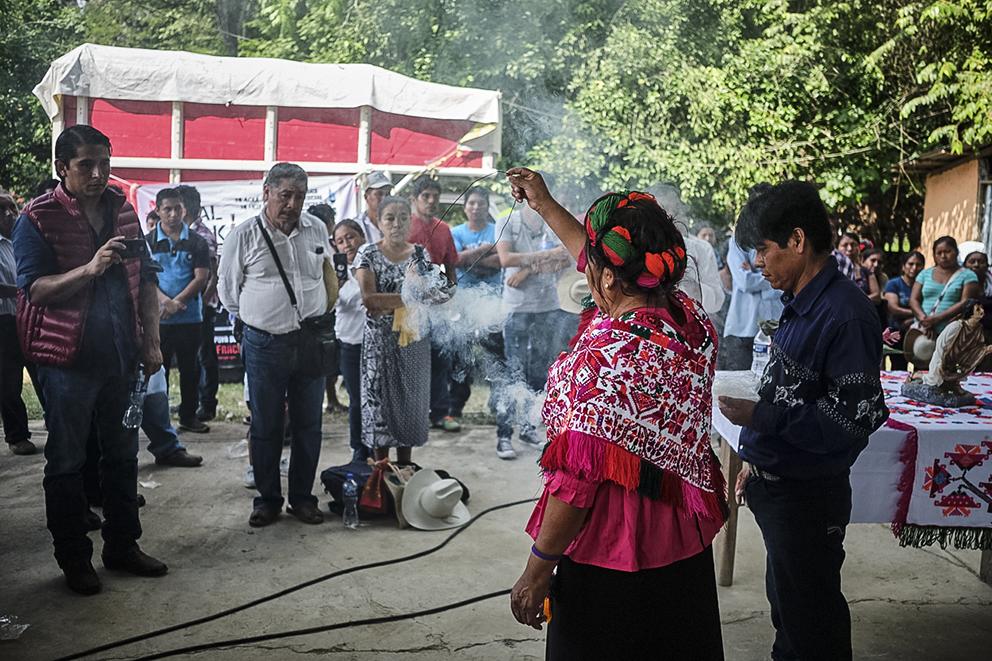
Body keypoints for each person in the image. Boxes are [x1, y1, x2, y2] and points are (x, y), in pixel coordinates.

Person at [505, 169, 727, 660]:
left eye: (594, 269)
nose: (585, 271)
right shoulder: (690, 320)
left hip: (610, 555)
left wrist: (537, 570)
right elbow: (593, 253)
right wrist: (543, 202)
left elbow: (577, 481)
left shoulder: (608, 359)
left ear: (608, 277)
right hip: (681, 544)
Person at [718, 180, 889, 661]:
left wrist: (759, 417)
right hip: (779, 489)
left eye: (763, 249)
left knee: (811, 625)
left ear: (797, 241)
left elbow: (852, 420)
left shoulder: (845, 315)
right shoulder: (801, 301)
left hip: (808, 499)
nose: (756, 263)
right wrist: (757, 458)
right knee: (789, 611)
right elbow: (790, 387)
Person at [13, 125, 168, 595]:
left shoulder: (124, 211)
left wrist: (152, 341)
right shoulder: (37, 218)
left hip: (121, 356)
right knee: (66, 461)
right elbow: (35, 289)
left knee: (123, 456)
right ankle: (74, 558)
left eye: (105, 162)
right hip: (66, 361)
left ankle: (122, 546)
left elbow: (145, 281)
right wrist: (90, 268)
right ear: (62, 168)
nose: (99, 173)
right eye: (86, 165)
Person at [218, 163, 334, 527]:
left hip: (310, 340)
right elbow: (228, 293)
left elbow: (326, 273)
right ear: (266, 192)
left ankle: (302, 498)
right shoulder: (244, 235)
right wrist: (263, 318)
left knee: (308, 425)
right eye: (285, 195)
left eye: (299, 196)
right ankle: (267, 499)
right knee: (267, 425)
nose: (292, 203)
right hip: (265, 343)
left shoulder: (316, 228)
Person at [355, 196, 450, 464]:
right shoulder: (369, 254)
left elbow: (430, 293)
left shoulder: (420, 254)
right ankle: (381, 472)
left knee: (411, 400)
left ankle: (406, 468)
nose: (397, 224)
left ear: (410, 221)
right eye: (389, 218)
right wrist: (411, 297)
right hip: (380, 343)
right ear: (379, 222)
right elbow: (370, 300)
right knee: (380, 404)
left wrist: (433, 295)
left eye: (403, 218)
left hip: (413, 341)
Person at [495, 198, 573, 460]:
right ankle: (504, 435)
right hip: (516, 308)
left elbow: (565, 256)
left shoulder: (553, 223)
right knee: (512, 371)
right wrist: (544, 257)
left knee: (539, 371)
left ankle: (529, 428)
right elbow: (505, 259)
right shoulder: (509, 222)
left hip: (547, 306)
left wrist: (527, 269)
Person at [147, 188, 211, 433]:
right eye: (167, 209)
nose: (173, 214)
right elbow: (146, 279)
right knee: (155, 370)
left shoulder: (197, 241)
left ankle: (188, 416)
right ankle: (157, 421)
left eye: (178, 209)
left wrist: (177, 302)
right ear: (158, 211)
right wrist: (164, 302)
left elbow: (201, 277)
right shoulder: (148, 241)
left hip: (190, 317)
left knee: (190, 369)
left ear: (185, 210)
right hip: (158, 318)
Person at [406, 175, 461, 432]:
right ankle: (414, 412)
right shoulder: (405, 226)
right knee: (414, 359)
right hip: (408, 304)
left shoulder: (444, 228)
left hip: (437, 301)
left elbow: (450, 264)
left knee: (440, 358)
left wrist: (451, 292)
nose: (431, 201)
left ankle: (440, 412)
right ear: (414, 199)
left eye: (435, 197)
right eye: (425, 196)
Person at [448, 186, 503, 419]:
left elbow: (501, 261)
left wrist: (473, 260)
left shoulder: (498, 228)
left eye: (481, 203)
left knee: (497, 355)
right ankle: (455, 407)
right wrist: (486, 249)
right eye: (471, 203)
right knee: (460, 356)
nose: (476, 207)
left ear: (487, 207)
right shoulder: (456, 232)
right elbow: (457, 260)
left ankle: (498, 405)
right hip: (465, 304)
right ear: (464, 207)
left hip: (493, 303)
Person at [175, 184, 220, 422]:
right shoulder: (177, 233)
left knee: (204, 356)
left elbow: (213, 274)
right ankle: (188, 403)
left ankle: (207, 404)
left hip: (201, 306)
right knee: (187, 358)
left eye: (178, 205)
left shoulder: (202, 235)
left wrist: (202, 301)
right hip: (181, 307)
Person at [0, 193, 34, 455]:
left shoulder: (21, 240)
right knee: (9, 382)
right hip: (4, 322)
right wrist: (25, 291)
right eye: (3, 210)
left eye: (13, 207)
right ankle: (17, 435)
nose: (10, 214)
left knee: (44, 375)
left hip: (30, 318)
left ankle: (58, 427)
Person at [332, 219, 368, 463]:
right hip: (350, 343)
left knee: (376, 397)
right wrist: (340, 283)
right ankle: (359, 448)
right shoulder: (335, 272)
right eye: (340, 241)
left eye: (351, 237)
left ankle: (379, 446)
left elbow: (370, 297)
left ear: (362, 237)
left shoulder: (372, 263)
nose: (347, 244)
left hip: (376, 341)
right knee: (357, 399)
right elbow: (333, 303)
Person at [719, 236, 784, 370]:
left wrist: (755, 274)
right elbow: (744, 281)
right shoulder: (738, 240)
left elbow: (786, 277)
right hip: (742, 330)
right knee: (738, 386)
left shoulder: (780, 237)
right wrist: (773, 276)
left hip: (776, 327)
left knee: (774, 384)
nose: (758, 261)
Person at [910, 236, 980, 338]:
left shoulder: (968, 275)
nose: (943, 256)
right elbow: (913, 299)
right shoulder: (924, 274)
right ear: (934, 255)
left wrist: (937, 319)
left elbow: (965, 302)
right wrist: (924, 319)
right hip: (925, 332)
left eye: (947, 251)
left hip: (953, 333)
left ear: (956, 252)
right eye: (939, 253)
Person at [883, 251, 926, 370]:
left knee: (921, 368)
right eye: (910, 264)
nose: (914, 268)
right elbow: (893, 308)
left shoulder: (926, 285)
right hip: (897, 333)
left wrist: (914, 319)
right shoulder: (894, 284)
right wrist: (918, 314)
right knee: (898, 367)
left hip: (919, 332)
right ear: (903, 266)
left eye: (919, 265)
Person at [837, 232, 881, 305]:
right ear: (837, 248)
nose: (850, 249)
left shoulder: (865, 271)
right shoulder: (832, 269)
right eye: (845, 245)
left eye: (853, 245)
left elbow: (876, 296)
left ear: (859, 248)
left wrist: (855, 301)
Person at [356, 171, 391, 244]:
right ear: (366, 197)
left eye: (388, 194)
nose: (384, 198)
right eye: (379, 194)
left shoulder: (396, 223)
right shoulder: (357, 225)